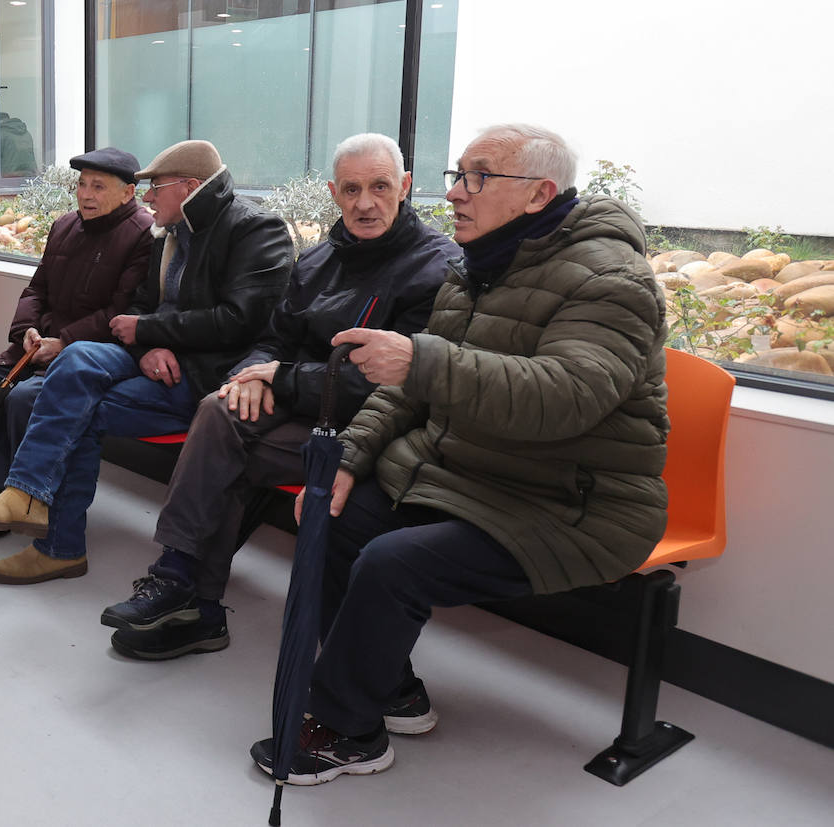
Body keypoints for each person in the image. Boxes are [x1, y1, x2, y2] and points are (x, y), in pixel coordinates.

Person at [248, 124, 668, 786]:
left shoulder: (612, 280)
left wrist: (422, 360)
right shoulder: (477, 267)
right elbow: (408, 390)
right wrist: (350, 458)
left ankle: (347, 728)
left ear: (539, 194)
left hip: (571, 499)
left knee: (394, 561)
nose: (456, 195)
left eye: (478, 178)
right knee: (329, 515)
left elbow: (567, 397)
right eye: (457, 176)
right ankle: (390, 689)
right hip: (475, 473)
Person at [102, 133, 459, 661]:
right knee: (219, 411)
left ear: (405, 186)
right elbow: (271, 338)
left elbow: (389, 386)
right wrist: (248, 376)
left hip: (370, 433)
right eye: (353, 189)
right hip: (300, 409)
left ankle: (193, 601)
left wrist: (281, 378)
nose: (366, 203)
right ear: (335, 193)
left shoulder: (436, 268)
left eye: (380, 186)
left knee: (223, 443)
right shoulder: (316, 262)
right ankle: (177, 578)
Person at [0, 139, 293, 585]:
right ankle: (26, 497)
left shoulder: (255, 230)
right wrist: (148, 345)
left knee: (77, 406)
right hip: (159, 361)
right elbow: (140, 309)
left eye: (156, 187)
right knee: (76, 360)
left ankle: (58, 544)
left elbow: (241, 321)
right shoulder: (170, 233)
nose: (148, 196)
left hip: (206, 379)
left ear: (191, 187)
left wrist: (152, 335)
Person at [0, 146, 154, 526]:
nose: (85, 194)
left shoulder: (143, 235)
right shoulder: (64, 225)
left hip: (93, 354)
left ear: (128, 192)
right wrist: (27, 332)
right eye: (82, 185)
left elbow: (121, 312)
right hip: (42, 344)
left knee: (25, 398)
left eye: (98, 187)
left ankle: (34, 498)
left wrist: (64, 342)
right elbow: (36, 290)